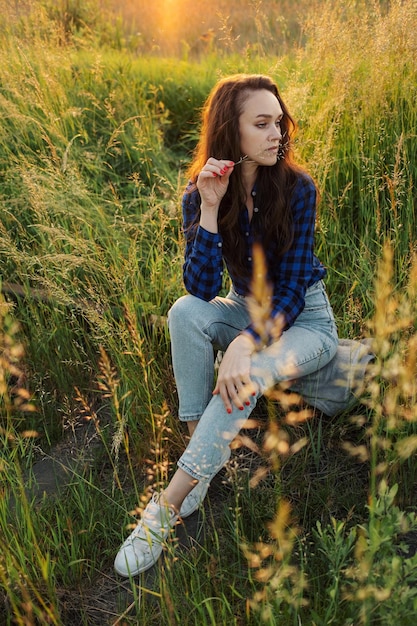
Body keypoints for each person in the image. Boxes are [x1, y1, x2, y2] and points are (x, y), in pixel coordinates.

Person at [114, 74, 373, 577]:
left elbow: (294, 292)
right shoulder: (202, 192)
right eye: (262, 123)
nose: (277, 132)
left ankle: (163, 510)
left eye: (279, 121)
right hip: (241, 304)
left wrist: (246, 347)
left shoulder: (298, 189)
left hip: (305, 323)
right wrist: (210, 207)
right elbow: (199, 286)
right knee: (182, 313)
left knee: (245, 377)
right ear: (232, 132)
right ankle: (201, 461)